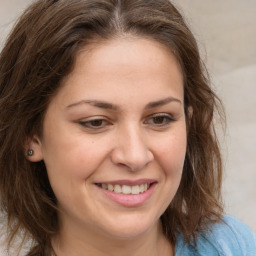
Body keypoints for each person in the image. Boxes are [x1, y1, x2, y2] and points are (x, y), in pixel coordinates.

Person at [0, 0, 255, 255]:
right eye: (96, 122)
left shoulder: (232, 246)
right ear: (30, 135)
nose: (134, 156)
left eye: (160, 119)